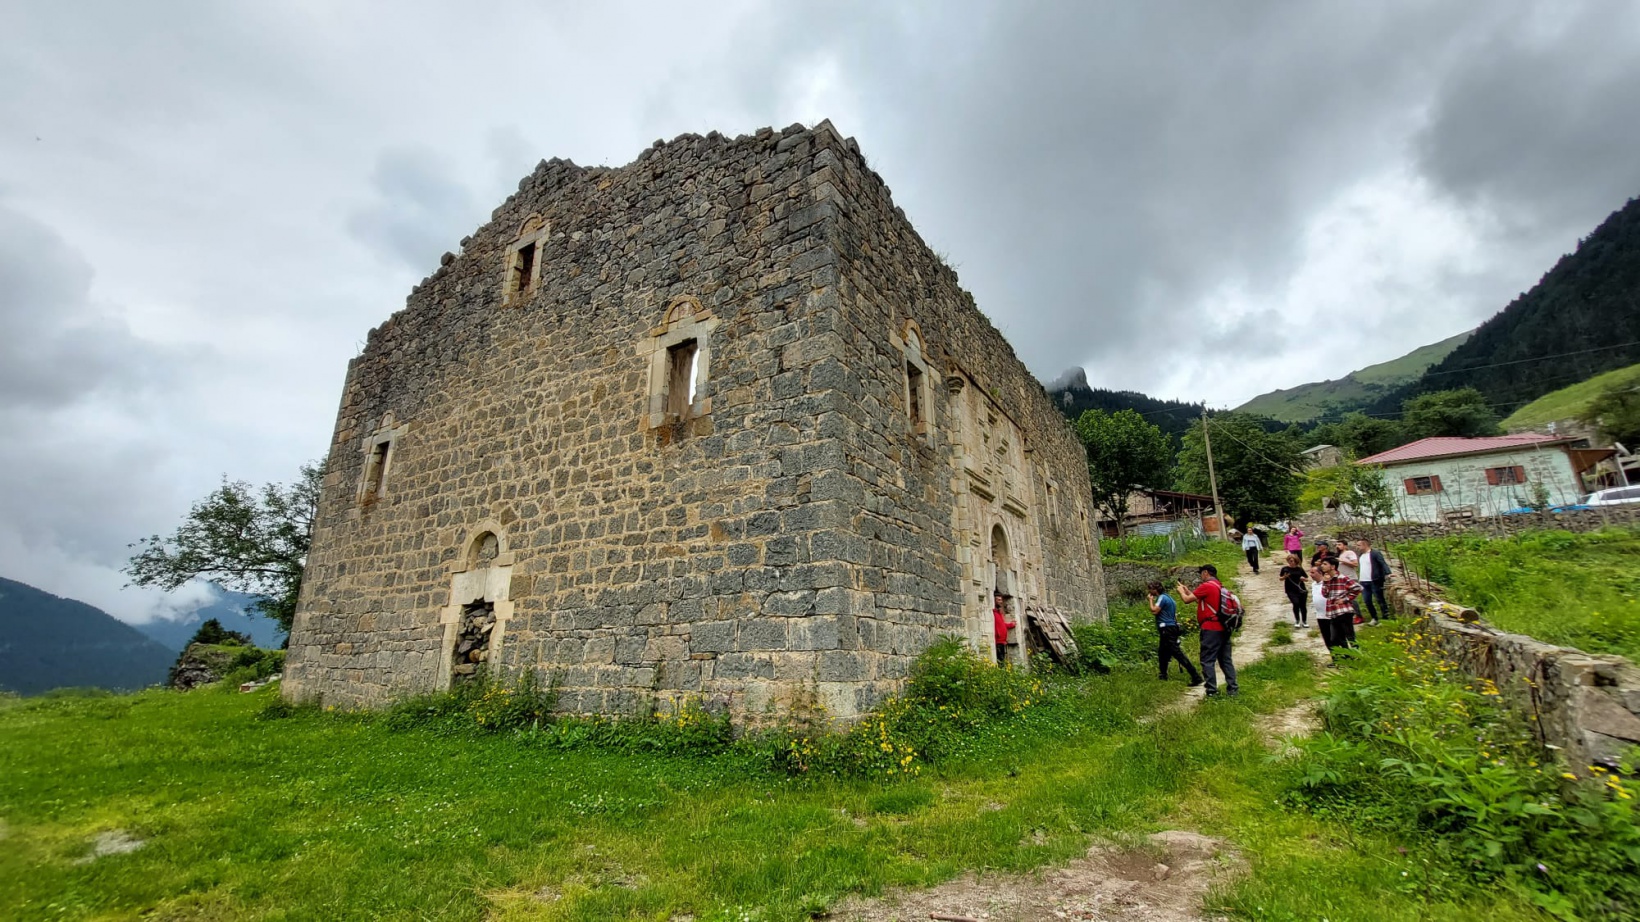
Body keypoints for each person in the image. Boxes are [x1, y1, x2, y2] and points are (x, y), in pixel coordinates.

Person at [1175, 564, 1238, 697]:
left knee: (1207, 660)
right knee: (1225, 660)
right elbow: (1204, 602)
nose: (1200, 577)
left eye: (1201, 574)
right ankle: (1233, 689)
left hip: (1210, 628)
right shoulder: (1220, 587)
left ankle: (1211, 691)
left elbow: (1187, 600)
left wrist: (1181, 591)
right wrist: (1188, 591)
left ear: (1205, 573)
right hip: (1224, 627)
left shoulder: (1206, 586)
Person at [1147, 580, 1202, 685]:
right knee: (1162, 652)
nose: (1149, 592)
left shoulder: (1162, 598)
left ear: (1155, 590)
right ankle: (1163, 675)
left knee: (1177, 653)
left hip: (1166, 629)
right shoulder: (1169, 598)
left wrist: (1150, 600)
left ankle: (1196, 676)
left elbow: (1154, 611)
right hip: (1172, 627)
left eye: (1150, 590)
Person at [1316, 557, 1362, 666]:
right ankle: (1348, 658)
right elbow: (1325, 594)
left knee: (1349, 635)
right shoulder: (1327, 579)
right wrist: (1326, 583)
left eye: (1325, 564)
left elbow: (1357, 588)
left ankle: (1358, 657)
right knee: (1335, 638)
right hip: (1333, 612)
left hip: (1344, 611)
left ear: (1332, 566)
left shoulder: (1342, 578)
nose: (1322, 566)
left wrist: (1345, 599)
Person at [1354, 538, 1392, 627]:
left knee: (1380, 599)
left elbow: (1382, 563)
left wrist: (1388, 573)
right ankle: (1374, 618)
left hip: (1374, 580)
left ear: (1365, 545)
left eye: (1359, 545)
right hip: (1364, 581)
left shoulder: (1374, 553)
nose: (1357, 547)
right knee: (1367, 601)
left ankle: (1385, 618)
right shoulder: (1361, 555)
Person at [1278, 553, 1309, 627]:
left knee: (1303, 606)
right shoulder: (1285, 569)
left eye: (1292, 561)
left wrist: (1303, 579)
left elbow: (1306, 578)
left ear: (1296, 561)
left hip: (1301, 589)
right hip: (1290, 589)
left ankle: (1304, 621)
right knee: (1295, 603)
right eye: (1289, 561)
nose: (1291, 562)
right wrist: (1285, 577)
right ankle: (1297, 620)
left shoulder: (1300, 569)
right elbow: (1280, 578)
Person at [992, 591, 1016, 665]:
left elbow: (1002, 624)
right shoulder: (993, 613)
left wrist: (1011, 625)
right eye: (999, 600)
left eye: (1001, 600)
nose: (1001, 602)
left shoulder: (999, 613)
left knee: (1003, 660)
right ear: (994, 601)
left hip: (1002, 642)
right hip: (998, 642)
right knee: (1000, 661)